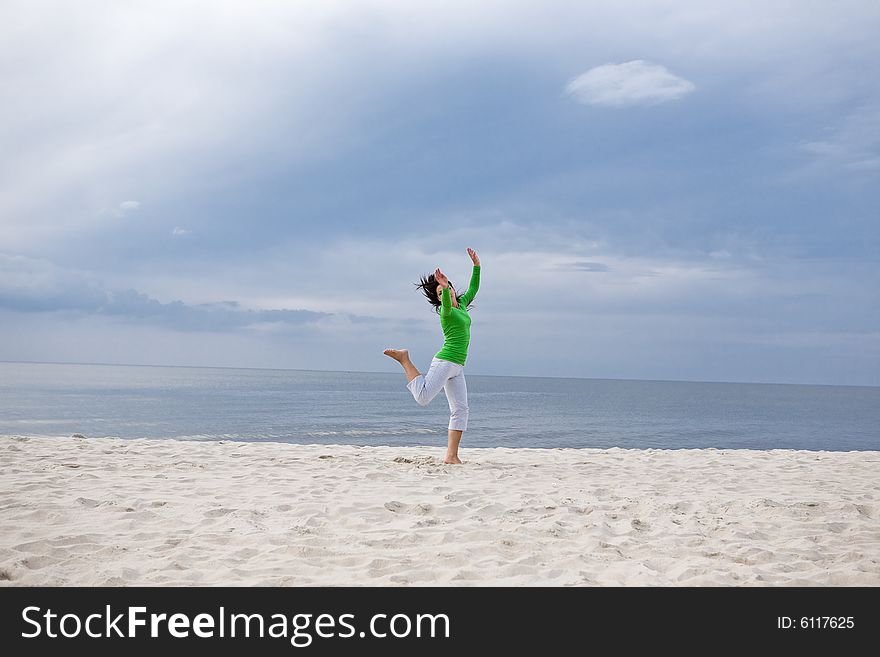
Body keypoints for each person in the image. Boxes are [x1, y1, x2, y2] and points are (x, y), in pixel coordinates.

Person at [384, 247, 481, 464]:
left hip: (457, 366)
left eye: (446, 289)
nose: (444, 293)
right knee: (423, 397)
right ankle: (404, 359)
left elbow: (474, 287)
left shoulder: (463, 305)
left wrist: (476, 266)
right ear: (439, 299)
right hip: (445, 361)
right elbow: (446, 306)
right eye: (439, 294)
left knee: (461, 409)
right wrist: (444, 289)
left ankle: (451, 456)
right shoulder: (446, 313)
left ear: (454, 288)